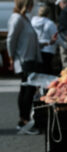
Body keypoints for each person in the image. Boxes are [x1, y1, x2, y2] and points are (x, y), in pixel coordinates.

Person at [7, 0, 42, 134]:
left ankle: (23, 119)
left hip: (29, 58)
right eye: (31, 4)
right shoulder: (17, 19)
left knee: (26, 89)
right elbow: (11, 39)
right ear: (26, 5)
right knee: (27, 89)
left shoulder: (24, 18)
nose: (32, 7)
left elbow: (29, 40)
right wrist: (11, 57)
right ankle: (24, 120)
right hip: (24, 59)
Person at [31, 5, 57, 75]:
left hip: (36, 47)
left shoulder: (33, 21)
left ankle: (38, 84)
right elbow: (55, 36)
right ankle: (46, 85)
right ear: (48, 13)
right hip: (48, 49)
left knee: (38, 69)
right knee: (47, 69)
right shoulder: (50, 23)